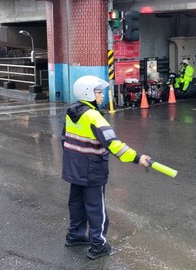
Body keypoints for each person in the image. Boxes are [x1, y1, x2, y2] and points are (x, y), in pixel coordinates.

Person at [62, 75, 151, 260]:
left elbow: (65, 139)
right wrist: (137, 157)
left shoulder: (71, 112)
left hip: (74, 170)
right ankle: (98, 245)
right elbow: (114, 144)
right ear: (89, 93)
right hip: (92, 171)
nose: (102, 95)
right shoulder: (94, 117)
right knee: (96, 208)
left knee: (76, 204)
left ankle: (75, 235)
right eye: (98, 92)